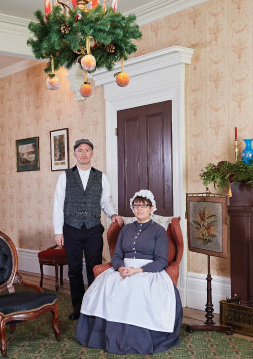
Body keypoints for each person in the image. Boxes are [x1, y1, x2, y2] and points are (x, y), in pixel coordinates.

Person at [76, 190, 182, 355]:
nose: (139, 209)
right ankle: (102, 336)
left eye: (144, 206)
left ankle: (133, 339)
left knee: (136, 286)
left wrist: (138, 270)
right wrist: (120, 268)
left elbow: (162, 261)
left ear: (152, 208)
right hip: (123, 267)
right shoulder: (126, 229)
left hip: (147, 271)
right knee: (105, 285)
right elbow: (117, 254)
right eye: (136, 205)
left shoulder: (158, 231)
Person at [52, 138, 123, 320]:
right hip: (71, 229)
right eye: (80, 150)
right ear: (74, 154)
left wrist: (113, 214)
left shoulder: (101, 176)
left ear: (92, 153)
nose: (84, 154)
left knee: (94, 268)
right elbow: (58, 204)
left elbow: (105, 201)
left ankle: (94, 306)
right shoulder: (65, 176)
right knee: (74, 270)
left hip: (92, 229)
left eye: (87, 150)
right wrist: (58, 232)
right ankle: (78, 307)